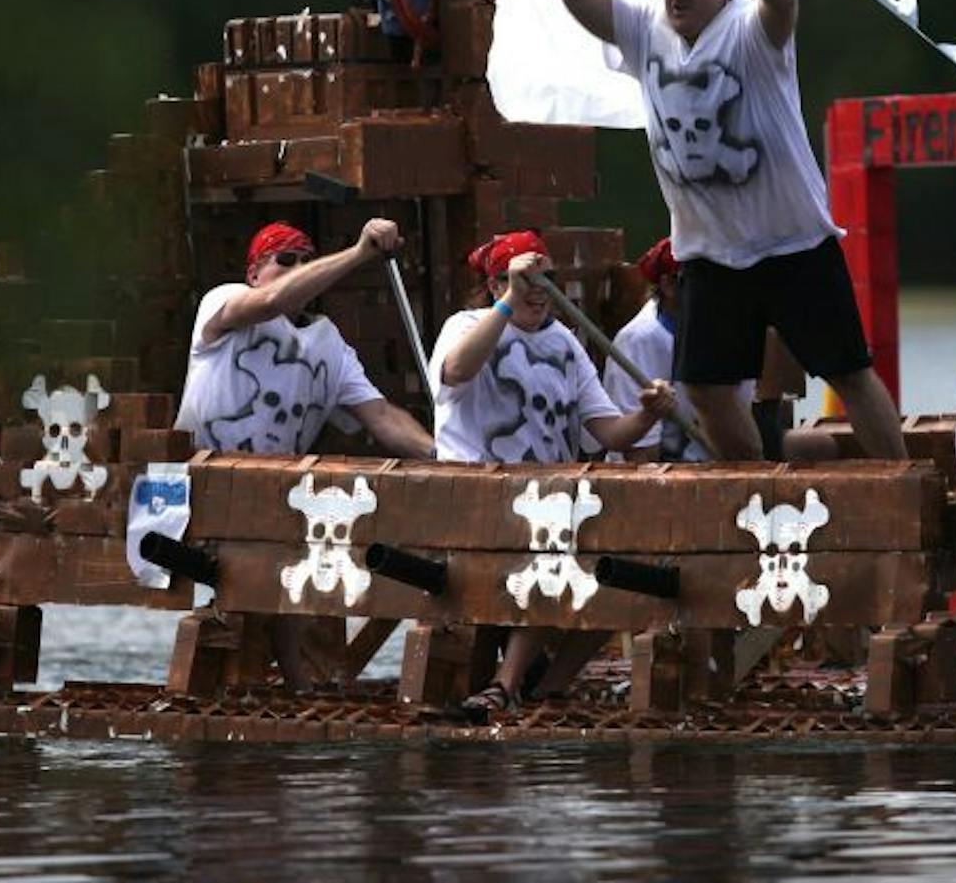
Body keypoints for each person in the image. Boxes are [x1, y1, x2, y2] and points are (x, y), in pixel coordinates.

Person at [555, 0, 908, 463]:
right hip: (711, 253)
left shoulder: (750, 29)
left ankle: (903, 487)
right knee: (706, 389)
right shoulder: (645, 29)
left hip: (791, 240)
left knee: (848, 371)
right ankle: (760, 490)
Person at [175, 219, 437, 688]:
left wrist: (442, 455)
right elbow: (273, 301)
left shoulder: (329, 344)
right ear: (254, 272)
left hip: (273, 495)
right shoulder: (223, 301)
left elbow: (381, 416)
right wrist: (360, 253)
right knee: (263, 570)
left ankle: (298, 684)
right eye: (285, 260)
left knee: (298, 560)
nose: (298, 268)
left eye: (306, 261)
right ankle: (275, 681)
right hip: (204, 485)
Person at [428, 229, 677, 716]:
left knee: (630, 569)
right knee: (553, 539)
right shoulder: (467, 324)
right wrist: (508, 301)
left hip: (549, 503)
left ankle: (546, 688)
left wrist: (648, 414)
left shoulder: (564, 340)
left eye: (546, 282)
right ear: (494, 285)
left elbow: (610, 432)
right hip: (478, 498)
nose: (538, 293)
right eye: (525, 282)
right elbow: (456, 371)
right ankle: (506, 685)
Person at [606, 237, 841, 464]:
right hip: (675, 460)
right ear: (669, 286)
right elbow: (640, 453)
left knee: (818, 445)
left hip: (728, 442)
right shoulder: (640, 340)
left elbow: (757, 412)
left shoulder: (729, 320)